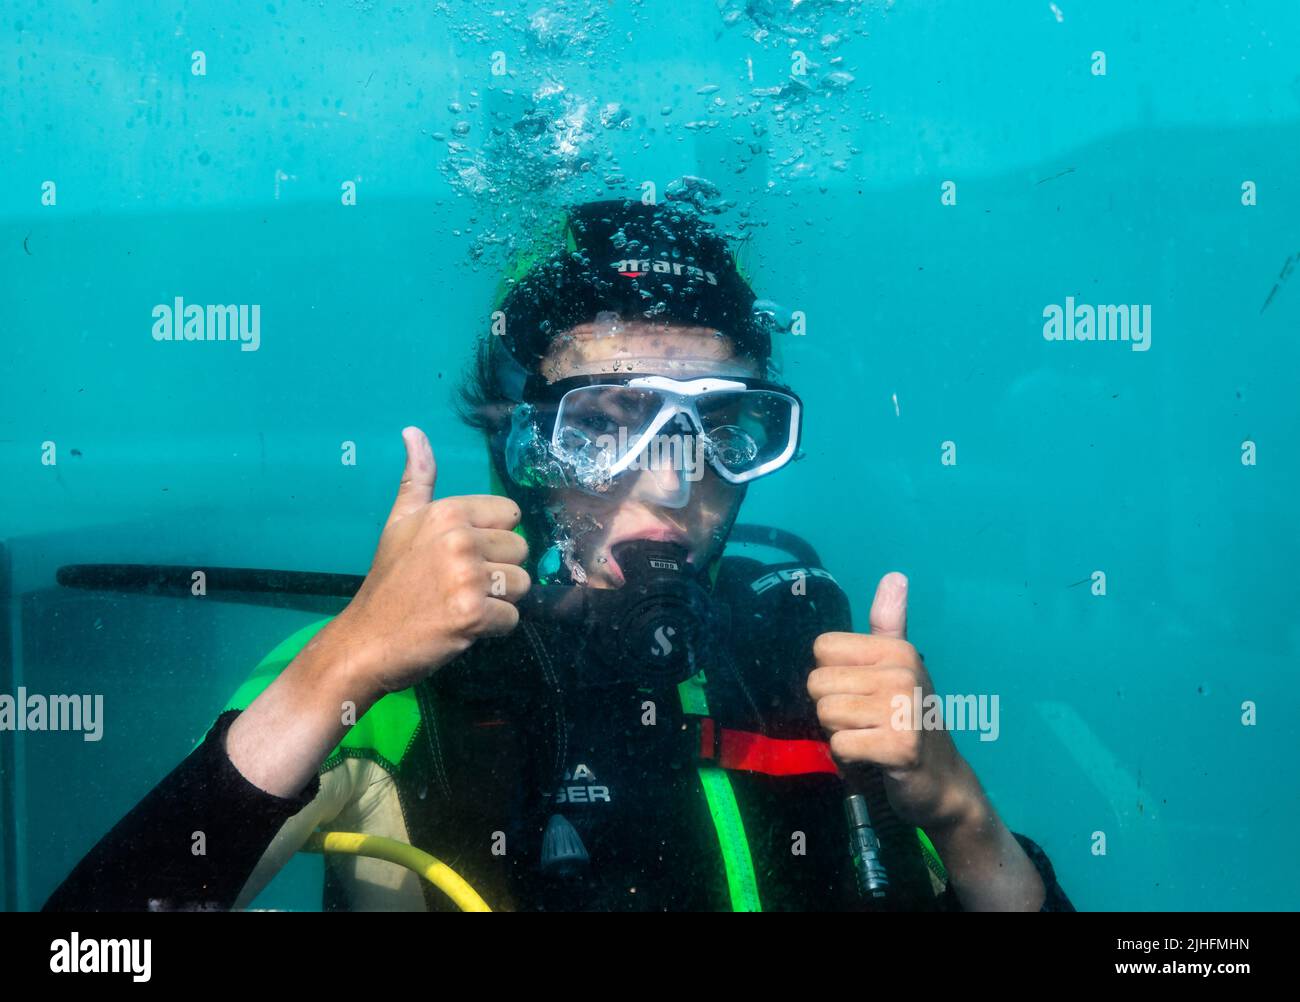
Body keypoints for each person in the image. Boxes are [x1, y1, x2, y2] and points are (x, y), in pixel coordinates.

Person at [43, 200, 1073, 912]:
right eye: (605, 423)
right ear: (522, 440)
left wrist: (965, 817)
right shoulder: (390, 684)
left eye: (724, 428)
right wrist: (339, 669)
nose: (673, 482)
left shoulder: (809, 664)